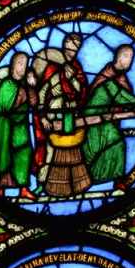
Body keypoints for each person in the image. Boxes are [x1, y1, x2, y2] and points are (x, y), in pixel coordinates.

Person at [82, 43, 135, 188]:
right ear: (119, 57)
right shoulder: (107, 77)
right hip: (95, 118)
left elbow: (125, 96)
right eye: (127, 56)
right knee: (115, 142)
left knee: (111, 144)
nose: (129, 60)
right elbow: (120, 96)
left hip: (108, 119)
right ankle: (110, 179)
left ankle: (107, 178)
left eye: (131, 57)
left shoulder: (120, 77)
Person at [38, 33, 90, 199]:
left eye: (75, 50)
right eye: (69, 49)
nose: (71, 53)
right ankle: (45, 178)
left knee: (73, 147)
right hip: (54, 111)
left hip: (72, 111)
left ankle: (76, 182)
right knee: (51, 147)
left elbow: (82, 91)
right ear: (63, 47)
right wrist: (43, 117)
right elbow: (42, 93)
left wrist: (72, 78)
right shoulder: (53, 68)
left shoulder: (76, 68)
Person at [0, 50, 34, 195]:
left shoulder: (25, 85)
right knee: (5, 156)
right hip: (6, 126)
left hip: (21, 127)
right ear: (13, 65)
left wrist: (31, 86)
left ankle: (23, 189)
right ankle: (0, 190)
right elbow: (3, 107)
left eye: (25, 64)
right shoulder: (6, 84)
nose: (23, 67)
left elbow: (34, 103)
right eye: (20, 63)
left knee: (25, 152)